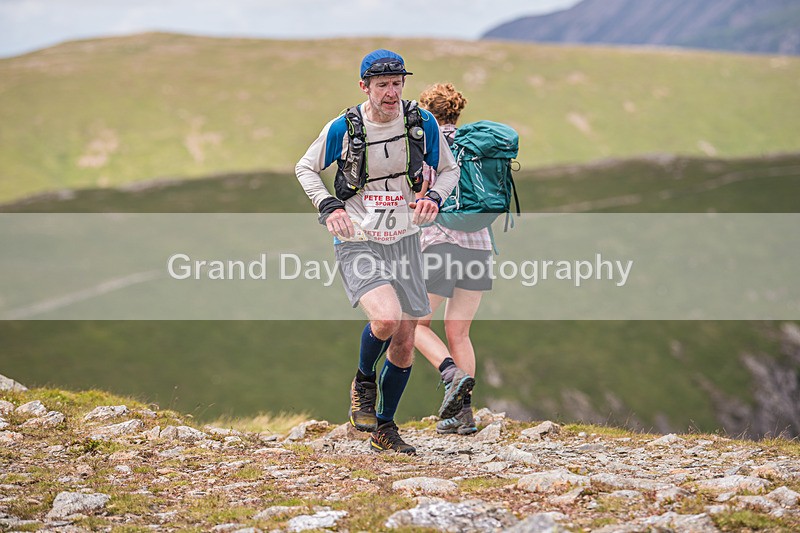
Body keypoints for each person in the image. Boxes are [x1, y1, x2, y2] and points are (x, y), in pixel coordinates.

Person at [295, 50, 460, 454]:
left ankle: (385, 428)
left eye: (397, 83)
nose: (391, 92)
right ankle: (363, 381)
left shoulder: (420, 122)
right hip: (358, 238)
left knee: (405, 338)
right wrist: (328, 206)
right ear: (364, 86)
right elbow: (304, 167)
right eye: (382, 84)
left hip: (404, 238)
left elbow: (450, 169)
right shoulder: (345, 127)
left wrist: (435, 197)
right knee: (385, 319)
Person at [414, 83, 492, 435]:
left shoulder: (426, 144)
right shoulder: (476, 146)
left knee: (414, 324)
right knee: (460, 331)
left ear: (426, 111)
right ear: (457, 112)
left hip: (439, 243)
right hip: (479, 245)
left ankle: (452, 375)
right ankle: (464, 417)